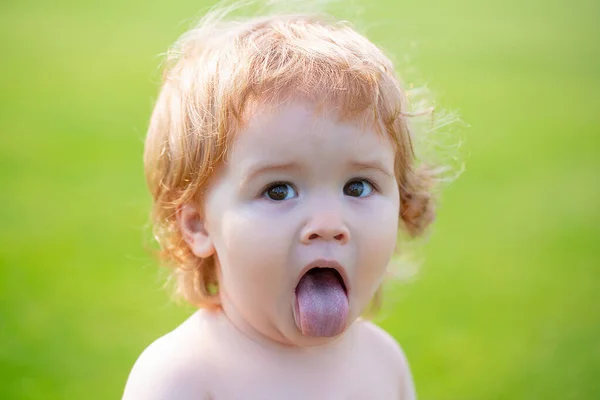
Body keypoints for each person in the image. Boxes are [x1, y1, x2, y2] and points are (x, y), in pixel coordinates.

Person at [123, 4, 443, 399]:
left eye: (358, 186)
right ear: (199, 225)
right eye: (278, 190)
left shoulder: (383, 363)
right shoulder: (183, 377)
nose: (328, 223)